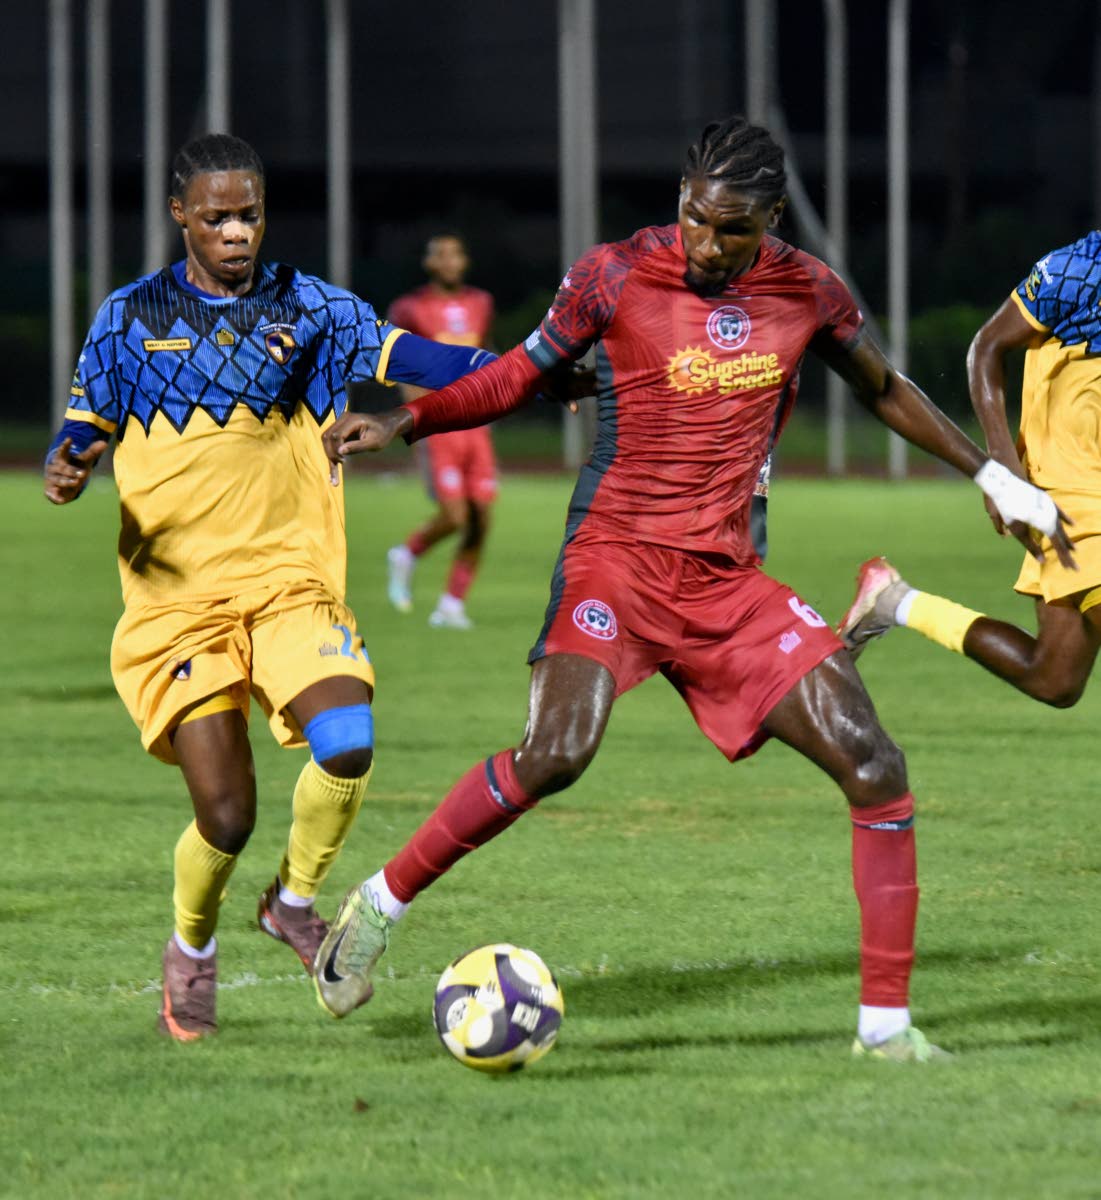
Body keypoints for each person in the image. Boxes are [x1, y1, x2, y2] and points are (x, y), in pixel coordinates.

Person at [310, 116, 1070, 1061]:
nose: (708, 244)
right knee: (556, 752)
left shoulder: (806, 288)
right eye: (696, 219)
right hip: (614, 557)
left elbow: (878, 385)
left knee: (874, 764)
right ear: (679, 199)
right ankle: (378, 904)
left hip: (723, 581)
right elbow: (517, 375)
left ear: (772, 220)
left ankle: (883, 1033)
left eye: (733, 229)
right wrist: (407, 423)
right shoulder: (613, 274)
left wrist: (986, 473)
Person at [43, 133, 510, 1042]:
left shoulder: (316, 309)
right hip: (177, 606)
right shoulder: (129, 317)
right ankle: (192, 948)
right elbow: (80, 431)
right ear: (180, 215)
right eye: (215, 215)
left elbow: (426, 362)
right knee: (226, 812)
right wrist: (69, 464)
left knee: (347, 743)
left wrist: (537, 365)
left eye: (248, 213)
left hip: (291, 585)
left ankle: (293, 901)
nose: (235, 231)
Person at [839, 233, 1091, 698]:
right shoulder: (1081, 268)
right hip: (1074, 489)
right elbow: (988, 347)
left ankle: (895, 602)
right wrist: (1003, 466)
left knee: (1054, 677)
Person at [385, 235, 498, 629]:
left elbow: (487, 356)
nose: (450, 260)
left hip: (476, 424)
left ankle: (451, 604)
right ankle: (407, 553)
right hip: (441, 425)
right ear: (429, 262)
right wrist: (419, 416)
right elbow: (399, 363)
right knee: (454, 515)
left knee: (482, 517)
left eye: (457, 253)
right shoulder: (410, 308)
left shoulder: (481, 303)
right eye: (441, 254)